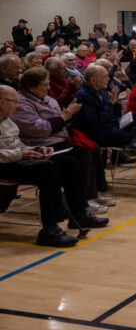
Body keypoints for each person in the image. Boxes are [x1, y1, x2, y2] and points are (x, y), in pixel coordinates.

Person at [0, 85, 106, 247]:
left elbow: (17, 144)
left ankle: (78, 213)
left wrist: (36, 149)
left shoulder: (7, 120)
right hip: (4, 165)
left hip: (14, 159)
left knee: (68, 163)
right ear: (2, 102)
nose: (17, 105)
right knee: (48, 171)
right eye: (15, 102)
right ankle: (49, 230)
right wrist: (21, 154)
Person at [75, 65, 136, 195]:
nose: (108, 79)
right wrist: (111, 103)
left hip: (114, 125)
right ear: (93, 80)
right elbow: (95, 123)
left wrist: (116, 103)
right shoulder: (83, 95)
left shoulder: (101, 91)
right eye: (104, 77)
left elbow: (113, 114)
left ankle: (135, 142)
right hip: (101, 133)